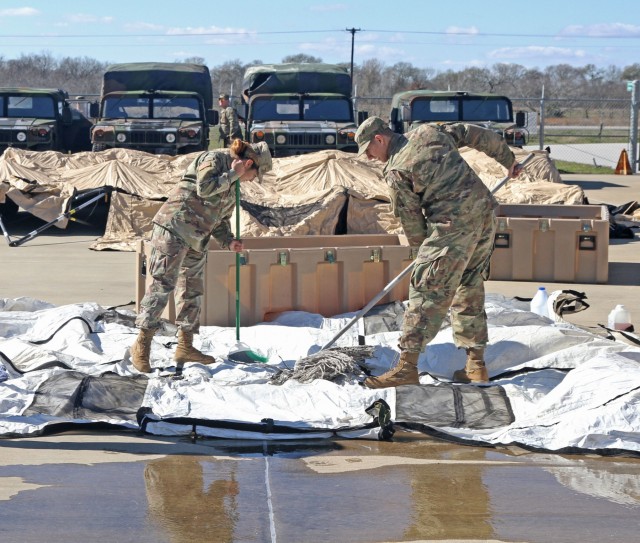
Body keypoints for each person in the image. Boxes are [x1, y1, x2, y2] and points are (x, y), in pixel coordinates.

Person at [354, 116, 521, 388]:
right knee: (469, 283)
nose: (371, 158)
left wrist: (423, 254)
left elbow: (410, 220)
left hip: (451, 226)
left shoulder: (397, 169)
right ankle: (476, 365)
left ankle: (406, 368)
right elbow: (476, 133)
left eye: (369, 151)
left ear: (379, 139)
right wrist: (508, 160)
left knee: (426, 289)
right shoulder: (430, 132)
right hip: (484, 215)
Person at [130, 139, 272, 373]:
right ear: (248, 163)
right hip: (174, 229)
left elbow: (219, 219)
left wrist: (228, 240)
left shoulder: (233, 183)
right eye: (255, 175)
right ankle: (141, 346)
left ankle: (185, 346)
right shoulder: (215, 160)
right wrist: (231, 174)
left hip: (197, 238)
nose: (253, 180)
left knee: (192, 290)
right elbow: (203, 188)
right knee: (162, 286)